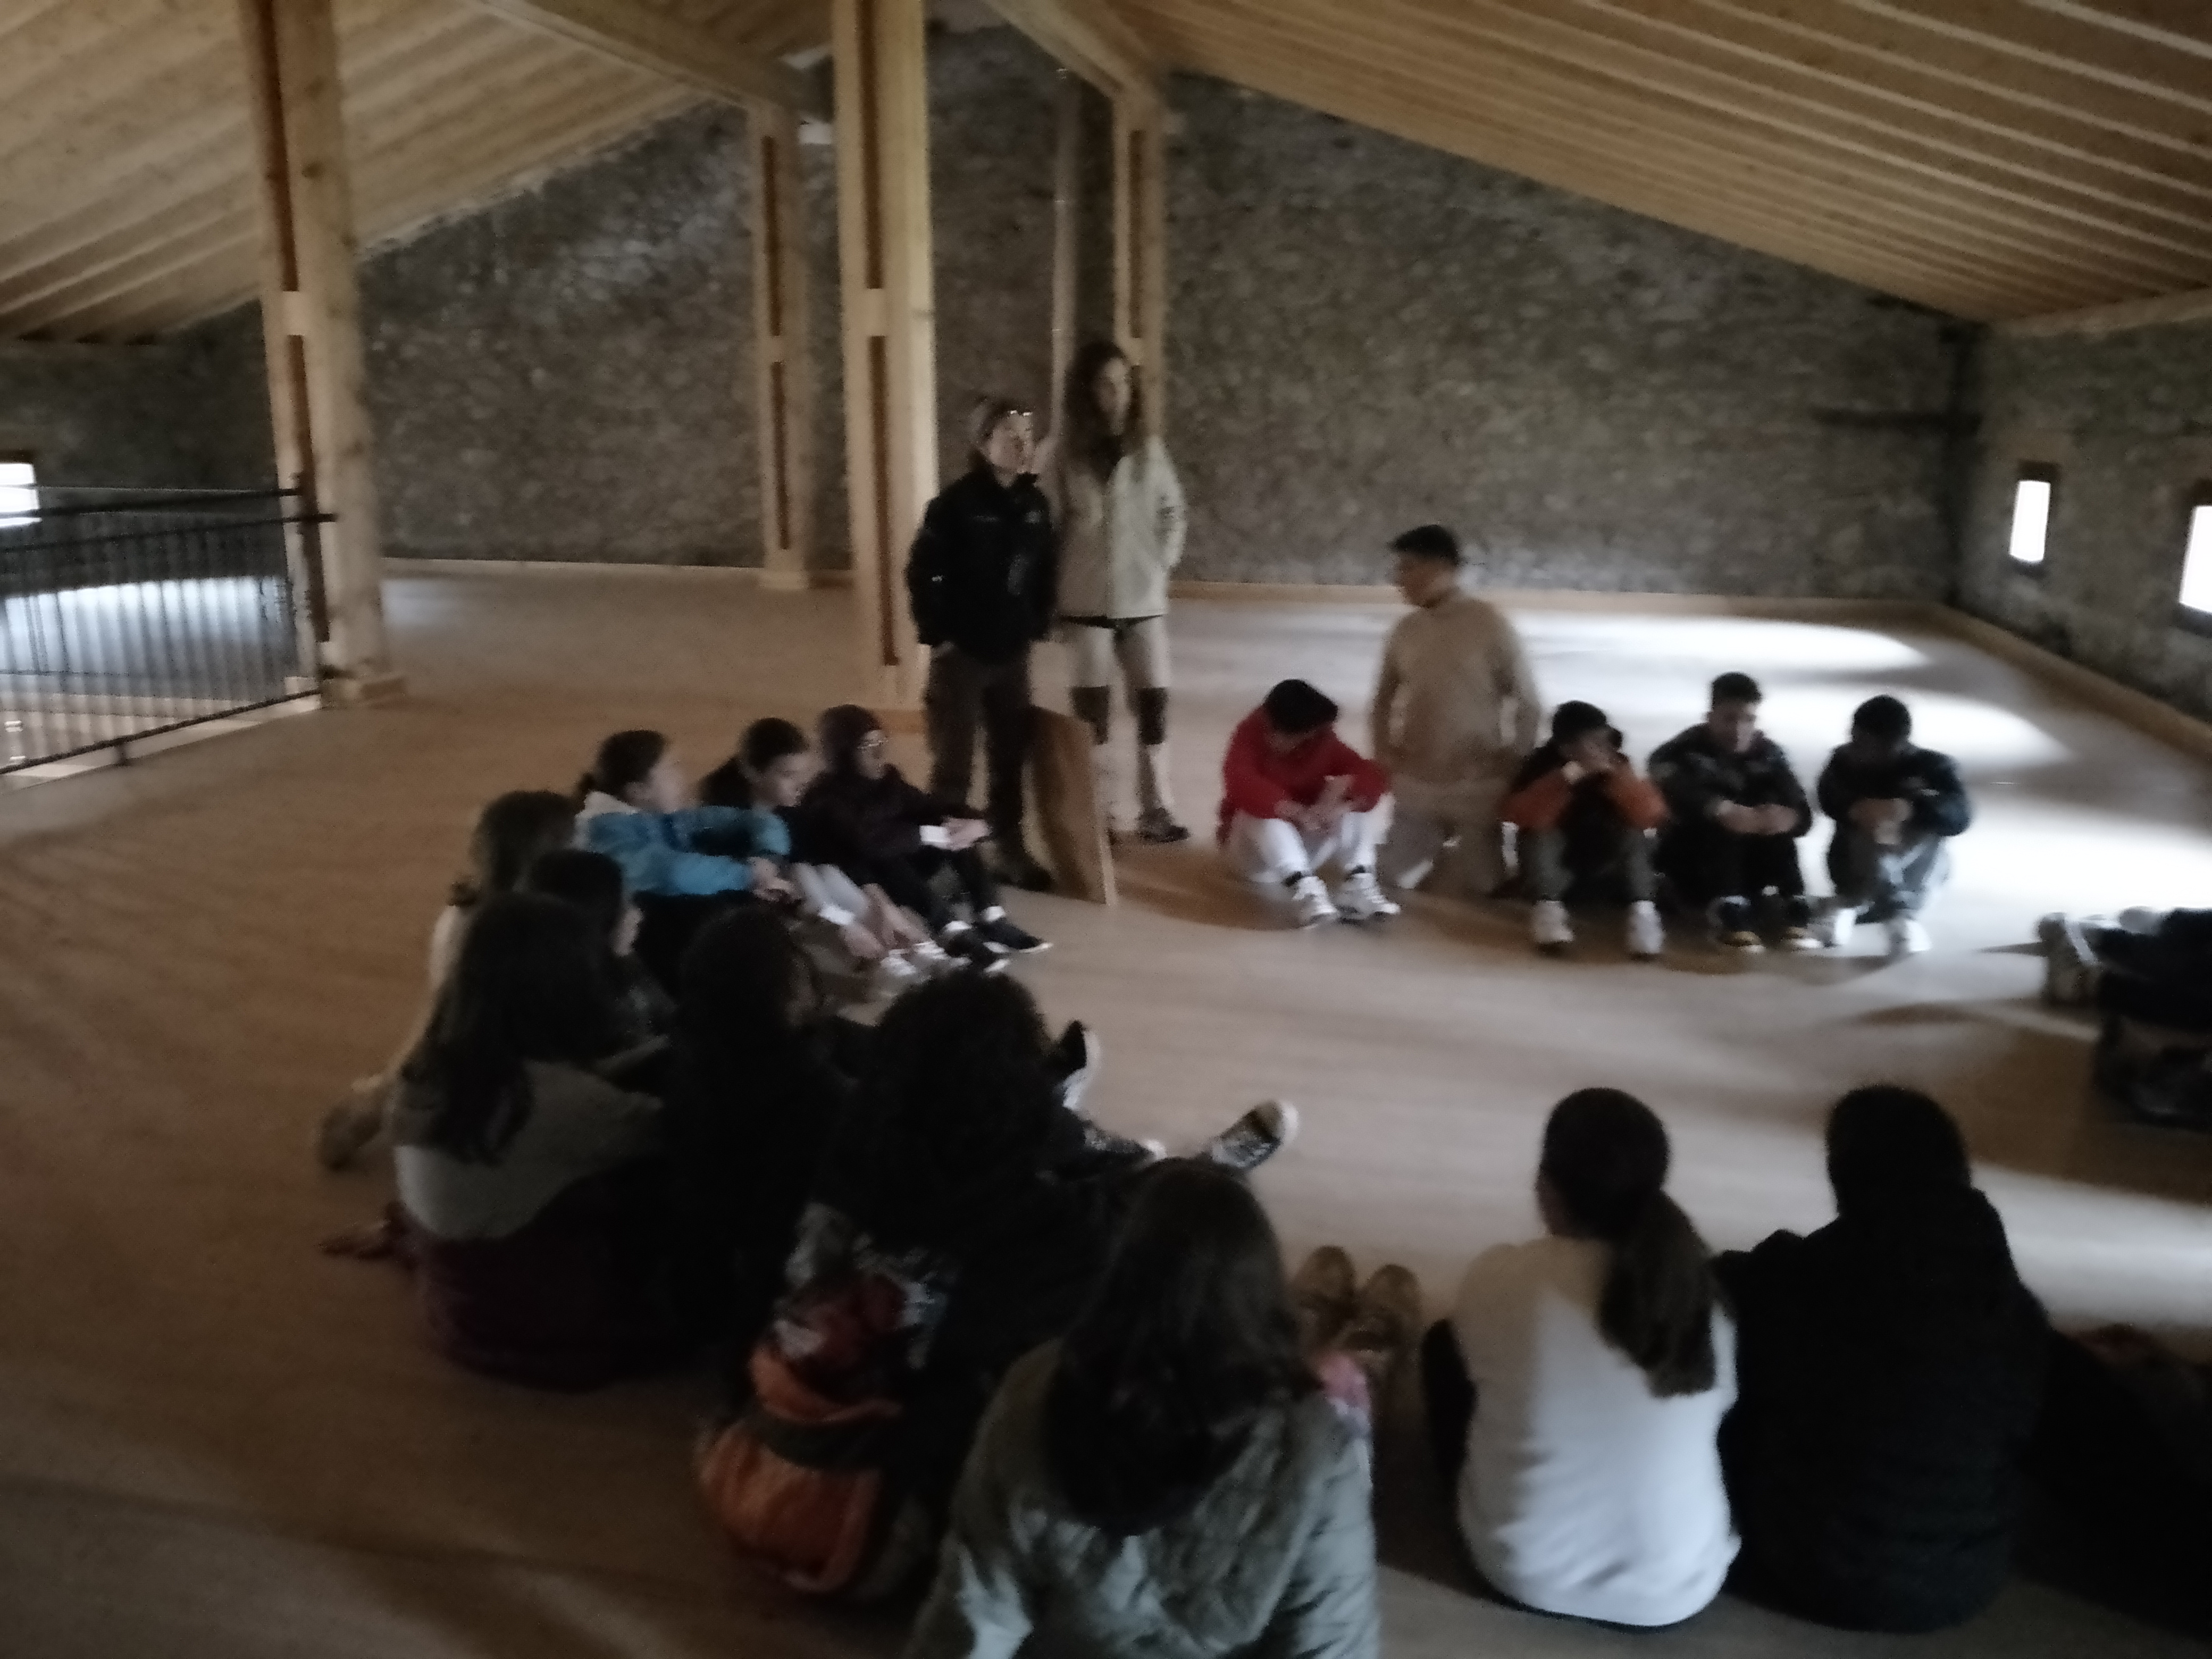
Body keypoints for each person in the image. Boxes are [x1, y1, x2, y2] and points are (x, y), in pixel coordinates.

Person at [703, 974, 1298, 1595]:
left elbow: (797, 1269)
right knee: (1157, 1222)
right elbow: (1117, 1228)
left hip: (784, 1438)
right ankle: (1205, 1173)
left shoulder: (849, 1142)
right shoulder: (1056, 1225)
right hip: (893, 1507)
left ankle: (1179, 1166)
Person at [906, 1163, 1390, 1659]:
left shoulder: (1035, 1389)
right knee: (1346, 1396)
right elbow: (1331, 1641)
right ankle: (1361, 1341)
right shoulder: (1308, 1440)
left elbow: (977, 1610)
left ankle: (1331, 1324)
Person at [1715, 1087, 2048, 1632]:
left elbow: (1716, 1291)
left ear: (1844, 1176)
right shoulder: (2015, 1311)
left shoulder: (1802, 1279)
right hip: (1962, 1582)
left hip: (1804, 1563)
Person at [1421, 1088, 1738, 1628]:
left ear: (1545, 1187)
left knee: (1440, 1348)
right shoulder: (1703, 1300)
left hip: (1521, 1572)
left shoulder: (1504, 1278)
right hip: (1680, 1590)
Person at [388, 893, 671, 1389]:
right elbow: (670, 1132)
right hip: (534, 1324)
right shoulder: (563, 1103)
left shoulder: (431, 1067)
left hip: (457, 1297)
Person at [315, 789, 578, 1171]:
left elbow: (438, 1009)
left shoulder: (462, 917)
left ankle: (382, 1095)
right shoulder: (524, 927)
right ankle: (381, 1098)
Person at [663, 904, 856, 1353]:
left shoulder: (687, 1057)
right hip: (773, 1294)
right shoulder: (816, 1092)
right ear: (784, 991)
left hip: (697, 1278)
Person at [1035, 340, 1191, 845]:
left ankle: (1156, 808)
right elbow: (1043, 530)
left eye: (1123, 383)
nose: (1117, 394)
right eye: (1105, 384)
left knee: (1154, 703)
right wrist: (1045, 599)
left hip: (1143, 602)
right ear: (1085, 390)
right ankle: (1101, 814)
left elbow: (1173, 512)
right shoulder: (1059, 453)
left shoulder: (1148, 448)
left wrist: (1161, 562)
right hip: (1085, 604)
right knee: (1093, 716)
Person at [909, 397, 1057, 892]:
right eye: (1009, 436)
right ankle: (940, 859)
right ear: (982, 443)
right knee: (953, 763)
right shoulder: (954, 506)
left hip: (1013, 653)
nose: (1022, 445)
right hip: (963, 655)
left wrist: (1038, 622)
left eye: (1027, 436)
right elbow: (920, 571)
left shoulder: (1035, 506)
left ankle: (1009, 849)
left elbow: (1044, 570)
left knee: (1009, 758)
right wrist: (937, 636)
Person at [702, 716, 952, 992]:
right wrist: (841, 924)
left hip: (812, 901)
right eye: (787, 775)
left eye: (804, 774)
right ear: (752, 772)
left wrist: (886, 908)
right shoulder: (725, 823)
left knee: (826, 870)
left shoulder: (793, 811)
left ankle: (900, 943)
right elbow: (762, 892)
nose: (800, 785)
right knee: (801, 872)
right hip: (765, 909)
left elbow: (834, 858)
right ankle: (880, 959)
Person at [1370, 524, 1543, 902]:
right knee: (1390, 876)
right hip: (1418, 779)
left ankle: (1460, 844)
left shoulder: (1490, 624)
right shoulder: (1405, 630)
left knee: (1485, 886)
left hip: (1475, 783)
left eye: (1408, 567)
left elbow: (1528, 702)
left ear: (1442, 568)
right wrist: (1384, 752)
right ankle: (1435, 839)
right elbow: (1383, 699)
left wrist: (1514, 760)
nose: (1399, 579)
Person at [794, 705, 1046, 962]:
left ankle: (990, 916)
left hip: (901, 871)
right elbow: (869, 841)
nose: (878, 753)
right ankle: (949, 930)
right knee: (890, 855)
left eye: (880, 742)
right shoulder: (825, 797)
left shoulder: (888, 781)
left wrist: (975, 824)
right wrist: (926, 834)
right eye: (866, 746)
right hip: (861, 880)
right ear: (843, 754)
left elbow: (930, 808)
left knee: (955, 834)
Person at [576, 728, 797, 986]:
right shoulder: (604, 833)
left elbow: (758, 820)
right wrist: (749, 875)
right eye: (672, 770)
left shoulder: (662, 816)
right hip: (634, 956)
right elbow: (673, 874)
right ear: (638, 791)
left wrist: (767, 858)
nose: (682, 779)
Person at [1648, 672, 1817, 953]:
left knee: (1775, 823)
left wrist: (1785, 818)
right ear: (1710, 717)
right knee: (1723, 822)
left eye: (1748, 720)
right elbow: (1680, 793)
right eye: (1729, 719)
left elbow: (1802, 811)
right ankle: (1728, 911)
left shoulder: (1771, 755)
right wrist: (1722, 809)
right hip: (1694, 861)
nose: (1739, 730)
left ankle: (1795, 906)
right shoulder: (1675, 754)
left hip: (1750, 861)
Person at [1218, 678, 1397, 927]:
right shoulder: (1248, 736)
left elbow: (1370, 774)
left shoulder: (1320, 740)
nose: (1305, 741)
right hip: (1255, 859)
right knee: (1255, 810)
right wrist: (1296, 812)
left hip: (1306, 844)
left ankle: (1358, 882)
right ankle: (1305, 891)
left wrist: (1340, 806)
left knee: (1353, 794)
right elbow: (1241, 784)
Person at [1501, 700, 1668, 959]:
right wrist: (1567, 778)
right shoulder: (1541, 764)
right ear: (1567, 748)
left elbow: (1650, 815)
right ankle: (1548, 912)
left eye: (1606, 741)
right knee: (1539, 836)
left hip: (1605, 866)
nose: (1604, 748)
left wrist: (1618, 780)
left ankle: (1643, 913)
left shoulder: (1618, 764)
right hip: (1558, 870)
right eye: (1595, 742)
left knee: (1633, 834)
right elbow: (1520, 815)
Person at [1813, 696, 1970, 956]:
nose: (1861, 752)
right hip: (1858, 867)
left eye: (1871, 746)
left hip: (1913, 872)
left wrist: (1910, 809)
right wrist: (1859, 809)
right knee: (1872, 825)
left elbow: (1960, 816)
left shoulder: (1934, 767)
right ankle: (1865, 907)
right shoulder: (1843, 761)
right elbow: (1828, 799)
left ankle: (1896, 914)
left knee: (1927, 822)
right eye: (1856, 741)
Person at [521, 848, 675, 1049]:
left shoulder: (623, 961)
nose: (638, 916)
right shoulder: (567, 1012)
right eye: (623, 906)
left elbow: (672, 1019)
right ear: (594, 919)